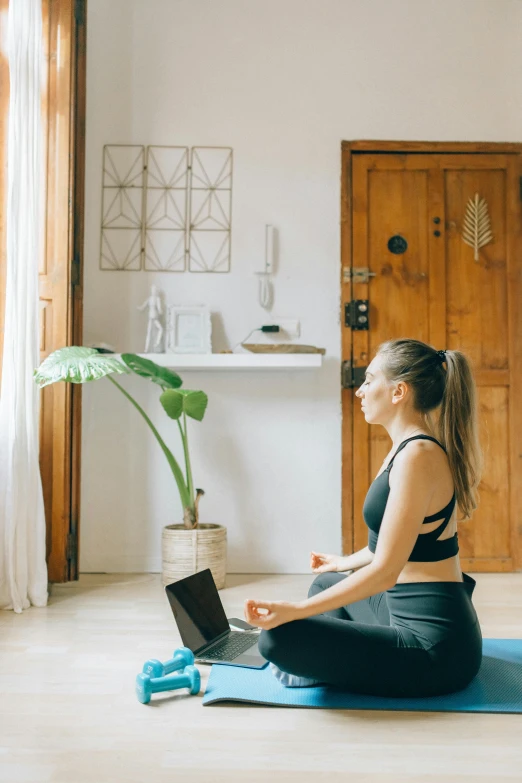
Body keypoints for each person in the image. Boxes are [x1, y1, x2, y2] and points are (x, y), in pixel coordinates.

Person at [244, 339, 484, 697]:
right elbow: (392, 544)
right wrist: (343, 562)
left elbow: (386, 570)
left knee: (277, 640)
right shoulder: (405, 448)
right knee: (328, 584)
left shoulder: (418, 455)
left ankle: (324, 665)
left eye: (370, 380)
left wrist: (295, 611)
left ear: (399, 391)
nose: (360, 390)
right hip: (400, 611)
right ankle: (328, 662)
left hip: (435, 646)